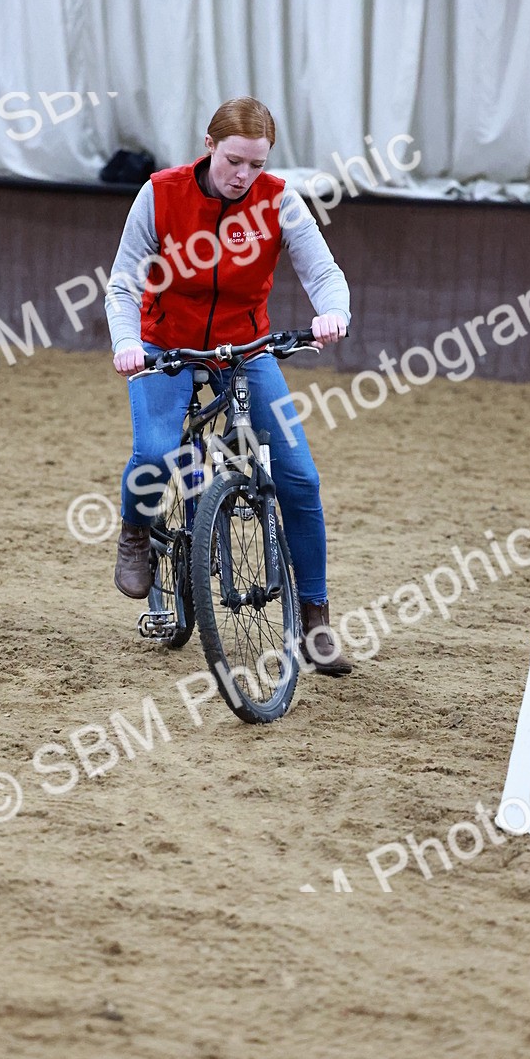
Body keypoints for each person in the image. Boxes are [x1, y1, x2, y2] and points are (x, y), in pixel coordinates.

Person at [104, 96, 352, 676]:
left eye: (256, 165)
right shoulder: (160, 194)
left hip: (245, 347)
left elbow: (323, 272)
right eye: (234, 161)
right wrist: (126, 341)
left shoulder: (279, 200)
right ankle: (137, 532)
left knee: (298, 474)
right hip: (163, 343)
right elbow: (123, 282)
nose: (244, 176)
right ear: (209, 145)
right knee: (158, 452)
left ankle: (314, 616)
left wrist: (332, 312)